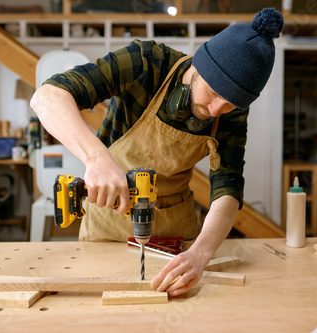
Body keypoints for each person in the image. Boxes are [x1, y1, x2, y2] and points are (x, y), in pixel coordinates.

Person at [30, 7, 284, 296]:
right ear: (200, 66)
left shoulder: (230, 113)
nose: (215, 111)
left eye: (229, 105)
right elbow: (47, 97)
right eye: (213, 94)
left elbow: (227, 187)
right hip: (109, 220)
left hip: (176, 229)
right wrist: (96, 158)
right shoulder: (145, 63)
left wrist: (199, 255)